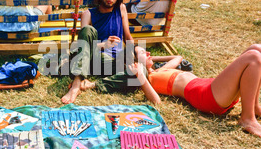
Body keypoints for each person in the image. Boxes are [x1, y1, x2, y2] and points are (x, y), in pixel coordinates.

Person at [78, 44, 261, 137]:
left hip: (210, 86)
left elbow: (178, 57)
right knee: (253, 56)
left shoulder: (160, 70)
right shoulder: (148, 78)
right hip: (206, 96)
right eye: (144, 52)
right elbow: (156, 101)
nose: (148, 53)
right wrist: (140, 73)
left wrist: (148, 59)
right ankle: (246, 118)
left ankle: (254, 106)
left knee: (256, 48)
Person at [61, 0, 133, 104]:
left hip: (115, 63)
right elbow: (83, 45)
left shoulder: (121, 9)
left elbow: (128, 37)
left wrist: (132, 57)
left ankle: (92, 84)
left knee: (139, 74)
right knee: (88, 30)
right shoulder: (88, 14)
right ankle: (76, 84)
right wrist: (104, 45)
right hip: (94, 59)